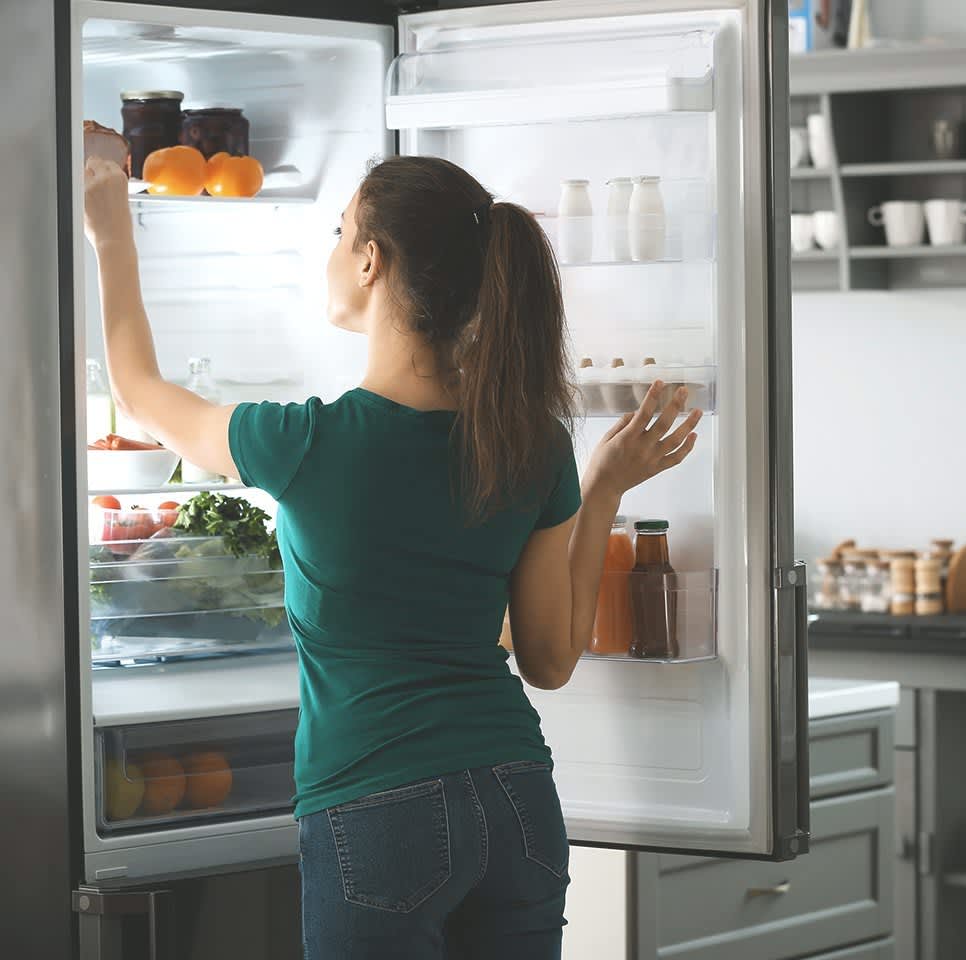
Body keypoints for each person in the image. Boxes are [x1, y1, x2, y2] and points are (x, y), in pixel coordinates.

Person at [82, 154, 701, 959]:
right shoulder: (529, 441)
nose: (334, 249)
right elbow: (548, 659)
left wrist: (108, 227)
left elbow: (137, 392)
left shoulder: (305, 440)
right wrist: (602, 491)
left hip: (378, 810)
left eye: (342, 231)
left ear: (372, 260)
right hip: (516, 797)